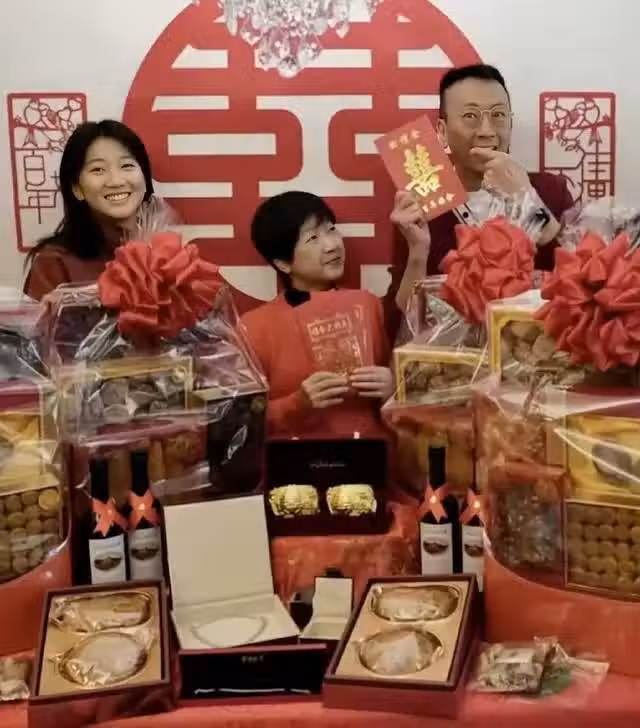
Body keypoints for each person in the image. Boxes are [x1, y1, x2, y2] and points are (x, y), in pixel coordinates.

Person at [388, 63, 574, 318]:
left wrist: (531, 203)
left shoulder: (550, 190)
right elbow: (401, 321)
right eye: (470, 116)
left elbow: (586, 282)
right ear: (442, 132)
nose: (487, 131)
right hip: (450, 344)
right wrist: (418, 254)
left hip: (534, 340)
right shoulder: (421, 204)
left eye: (498, 115)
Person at [241, 191, 394, 437]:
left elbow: (411, 392)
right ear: (283, 263)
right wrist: (297, 403)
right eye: (312, 238)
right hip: (293, 458)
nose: (332, 245)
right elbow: (239, 424)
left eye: (331, 229)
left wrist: (393, 389)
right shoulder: (253, 327)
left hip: (371, 454)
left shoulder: (367, 305)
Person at [24, 120, 154, 300]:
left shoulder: (164, 252)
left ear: (145, 178)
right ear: (77, 188)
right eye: (98, 169)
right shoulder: (55, 261)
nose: (116, 181)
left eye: (126, 166)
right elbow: (41, 318)